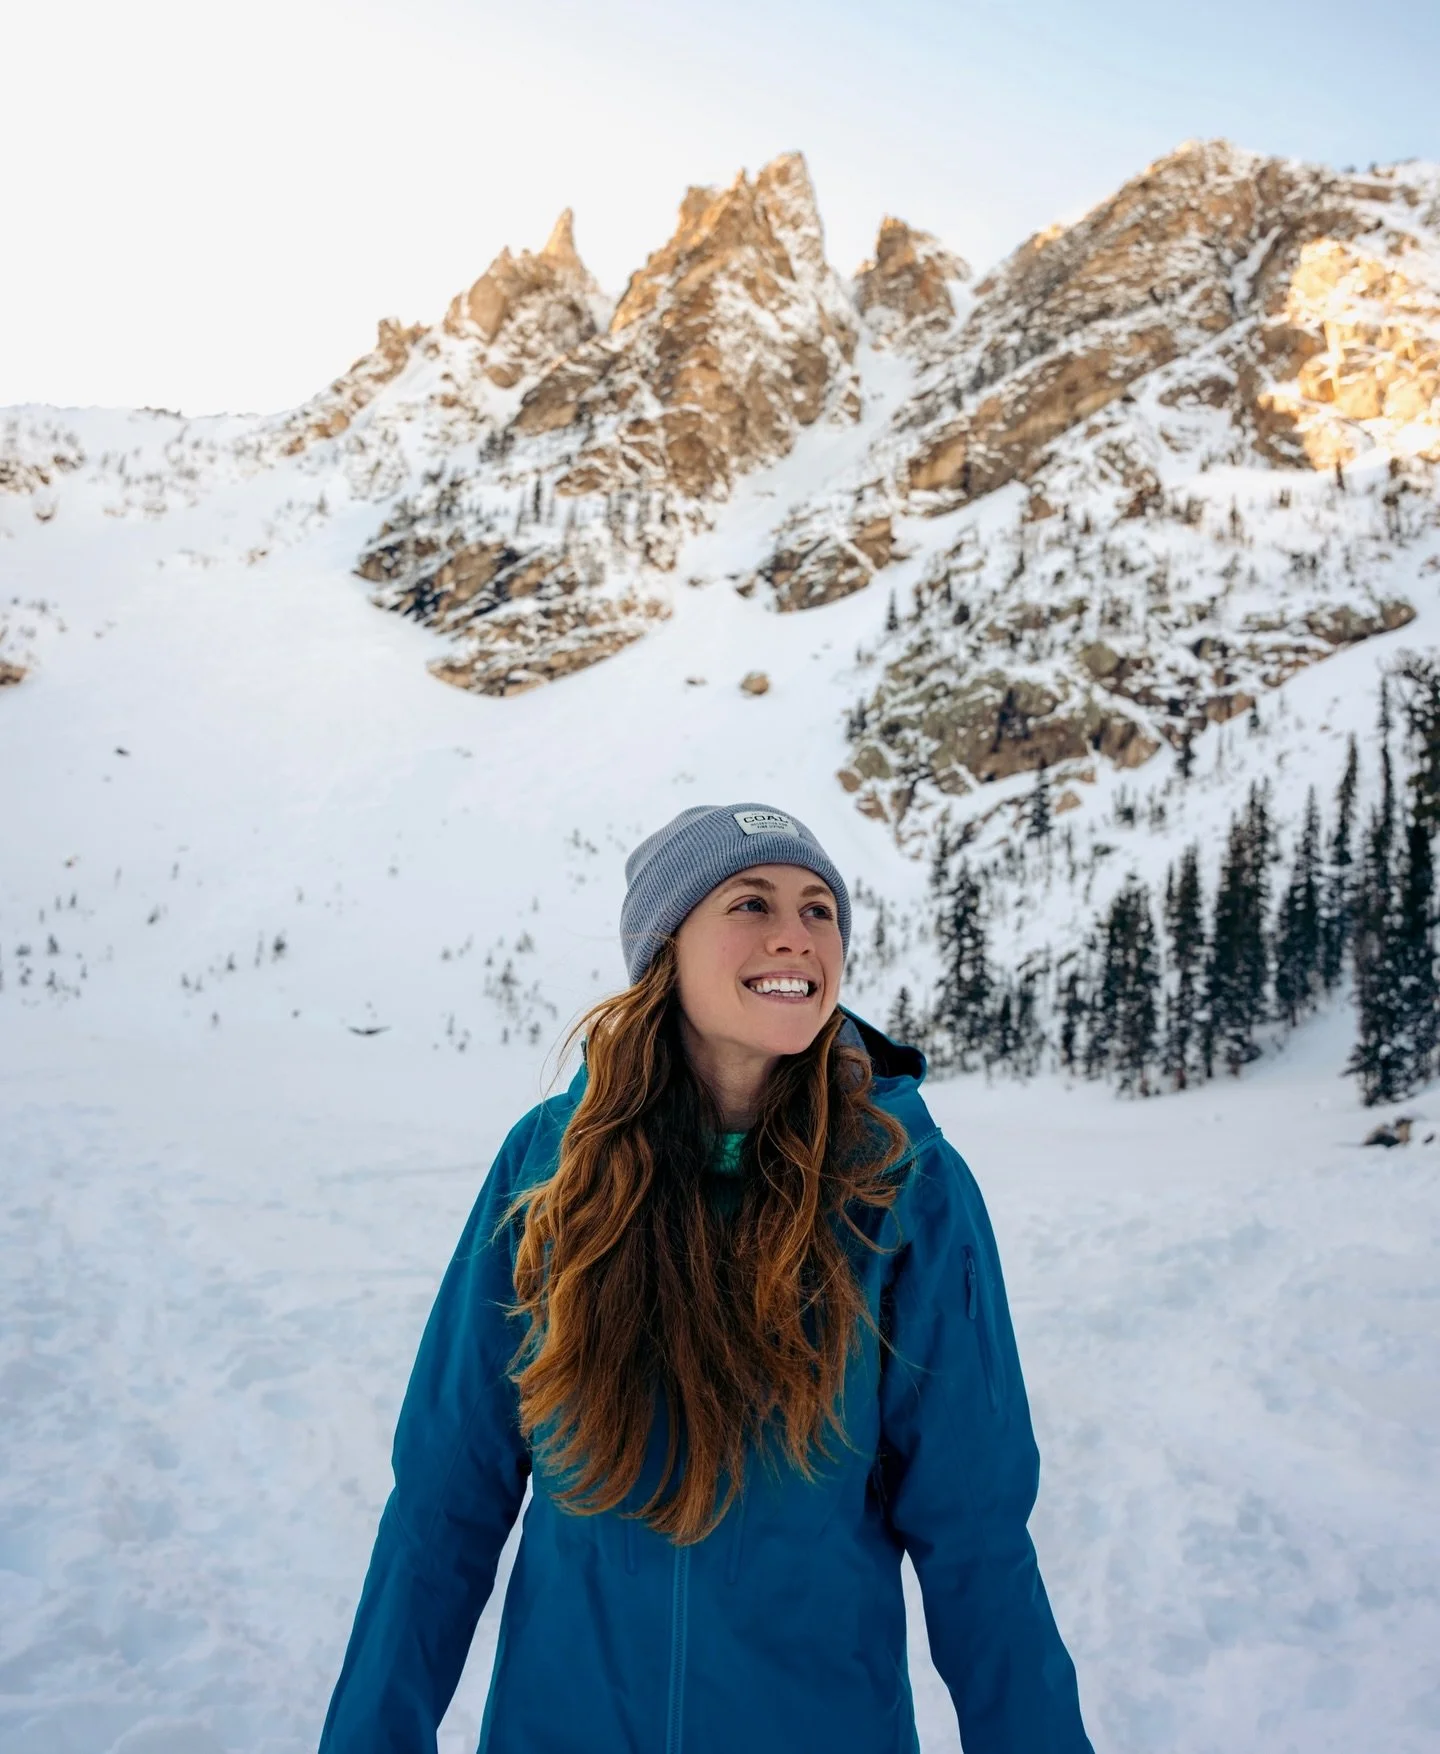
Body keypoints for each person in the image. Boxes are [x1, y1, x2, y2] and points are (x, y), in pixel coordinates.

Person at [319, 802, 1093, 1753]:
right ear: (665, 949)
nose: (795, 936)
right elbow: (444, 1502)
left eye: (820, 911)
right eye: (750, 902)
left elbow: (976, 1537)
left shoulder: (904, 1187)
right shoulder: (548, 1170)